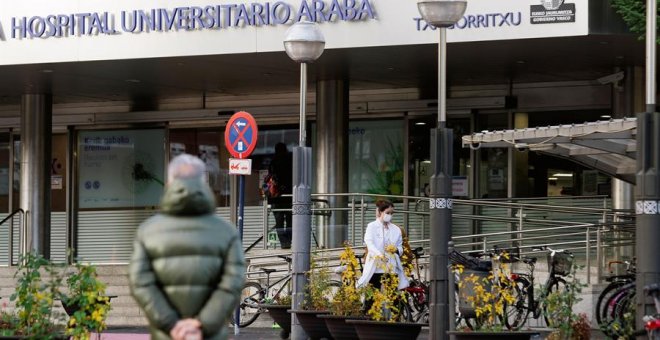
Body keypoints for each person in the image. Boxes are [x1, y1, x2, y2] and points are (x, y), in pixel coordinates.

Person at [129, 154, 246, 340]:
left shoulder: (147, 231)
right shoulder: (227, 232)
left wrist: (172, 324)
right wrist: (201, 323)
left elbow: (140, 282)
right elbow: (233, 282)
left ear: (169, 183)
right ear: (203, 183)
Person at [356, 199, 409, 310]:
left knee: (393, 295)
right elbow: (369, 243)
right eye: (387, 213)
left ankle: (395, 318)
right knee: (372, 295)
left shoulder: (396, 229)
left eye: (391, 213)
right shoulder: (372, 226)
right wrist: (379, 254)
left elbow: (400, 247)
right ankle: (369, 318)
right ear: (380, 212)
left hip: (390, 267)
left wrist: (396, 250)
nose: (389, 215)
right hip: (375, 267)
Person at [266, 142, 293, 249]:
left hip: (276, 197)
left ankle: (284, 243)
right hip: (289, 195)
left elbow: (271, 178)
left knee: (279, 221)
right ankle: (288, 241)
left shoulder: (274, 162)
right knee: (290, 220)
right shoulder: (290, 160)